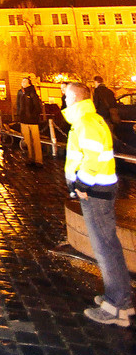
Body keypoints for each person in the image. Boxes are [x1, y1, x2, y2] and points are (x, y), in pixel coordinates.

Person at [63, 81, 133, 327]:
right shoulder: (89, 120)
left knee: (105, 249)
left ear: (76, 99)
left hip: (94, 194)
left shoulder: (86, 123)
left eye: (67, 96)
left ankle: (117, 307)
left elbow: (91, 160)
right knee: (108, 246)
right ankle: (122, 299)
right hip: (97, 192)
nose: (64, 101)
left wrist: (80, 186)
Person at [15, 76, 43, 165]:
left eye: (25, 81)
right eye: (22, 81)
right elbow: (18, 104)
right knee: (27, 140)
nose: (23, 83)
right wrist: (19, 113)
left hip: (32, 120)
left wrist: (33, 116)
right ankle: (30, 157)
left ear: (29, 83)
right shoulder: (20, 92)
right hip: (23, 119)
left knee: (35, 140)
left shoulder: (32, 93)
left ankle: (38, 159)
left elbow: (37, 106)